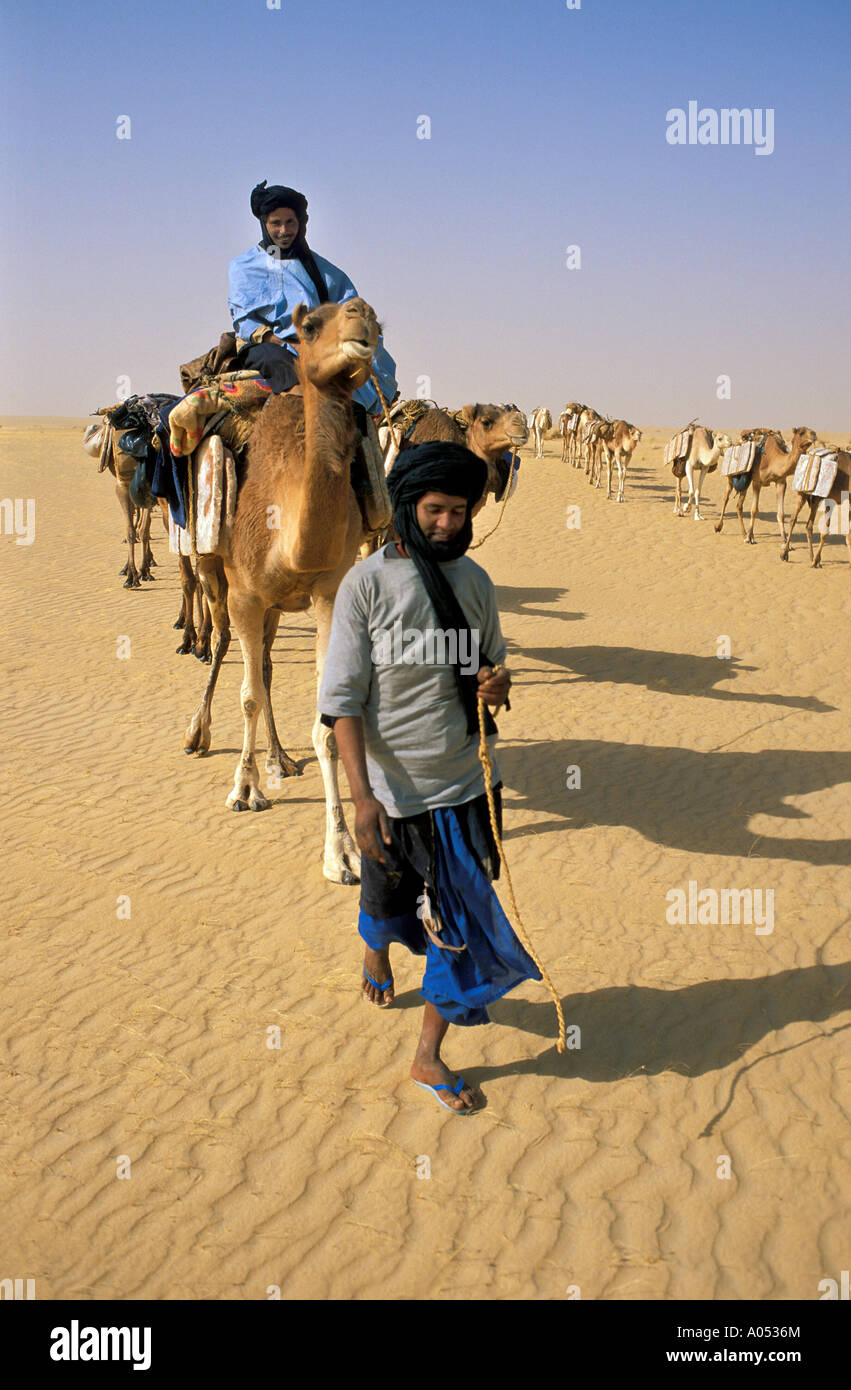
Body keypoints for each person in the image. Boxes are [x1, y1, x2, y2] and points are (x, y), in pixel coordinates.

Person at [317, 442, 541, 1113]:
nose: (447, 522)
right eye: (435, 509)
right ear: (410, 508)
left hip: (467, 789)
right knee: (387, 905)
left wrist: (498, 685)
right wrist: (360, 799)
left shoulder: (474, 583)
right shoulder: (367, 584)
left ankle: (426, 1056)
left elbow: (492, 674)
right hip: (390, 793)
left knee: (460, 926)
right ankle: (375, 952)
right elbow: (342, 701)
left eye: (459, 510)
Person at [228, 181, 397, 419]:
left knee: (352, 383)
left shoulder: (325, 271)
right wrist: (291, 345)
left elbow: (348, 308)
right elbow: (246, 323)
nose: (284, 231)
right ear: (265, 225)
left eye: (290, 222)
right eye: (276, 223)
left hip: (321, 346)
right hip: (269, 346)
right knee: (284, 369)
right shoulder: (244, 267)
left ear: (301, 224)